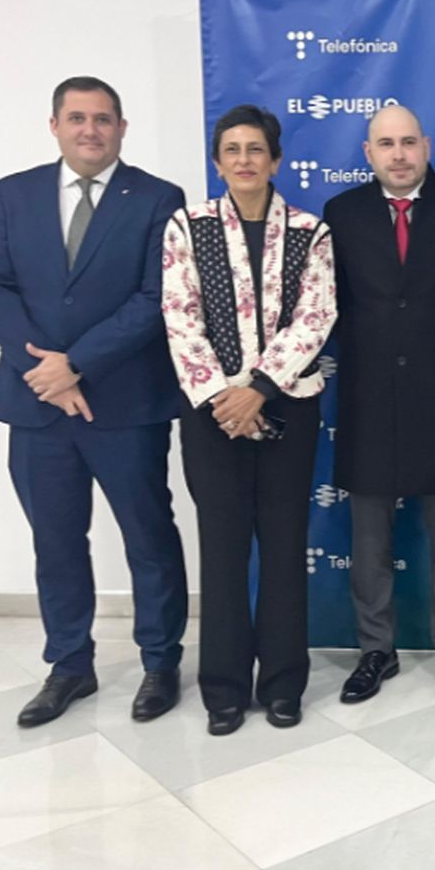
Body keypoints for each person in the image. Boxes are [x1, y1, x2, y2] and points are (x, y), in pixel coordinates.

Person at [0, 76, 189, 728]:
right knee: (57, 541)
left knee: (149, 537)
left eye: (103, 119)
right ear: (55, 126)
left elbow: (155, 298)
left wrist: (78, 365)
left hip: (126, 404)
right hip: (36, 404)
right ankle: (70, 665)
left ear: (122, 128)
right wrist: (44, 372)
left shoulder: (157, 198)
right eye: (77, 118)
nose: (90, 130)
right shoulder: (12, 195)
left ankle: (159, 662)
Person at [160, 104, 336, 736]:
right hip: (212, 416)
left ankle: (284, 682)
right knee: (225, 550)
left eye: (255, 149)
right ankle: (224, 688)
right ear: (217, 162)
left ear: (276, 159)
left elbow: (315, 316)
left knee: (286, 547)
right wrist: (222, 400)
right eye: (231, 150)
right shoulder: (188, 225)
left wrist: (258, 389)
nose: (243, 160)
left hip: (287, 406)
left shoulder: (309, 232)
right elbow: (181, 318)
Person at [323, 104, 435, 705]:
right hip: (366, 395)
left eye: (408, 143)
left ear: (426, 147)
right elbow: (330, 306)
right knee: (368, 535)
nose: (398, 154)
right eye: (385, 144)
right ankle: (377, 649)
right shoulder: (340, 215)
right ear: (368, 153)